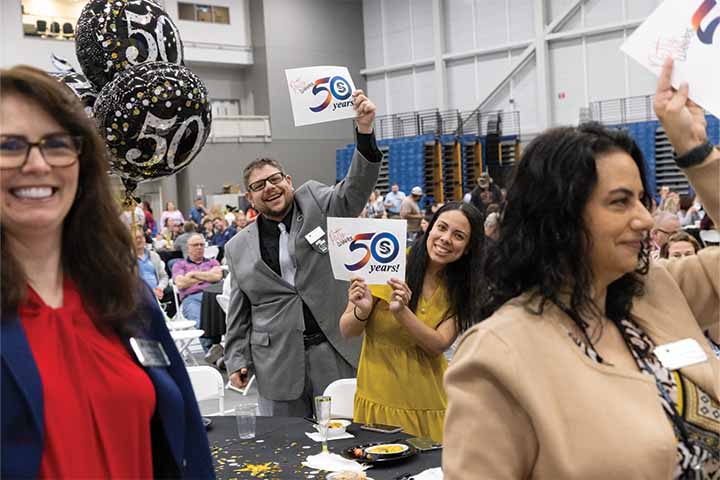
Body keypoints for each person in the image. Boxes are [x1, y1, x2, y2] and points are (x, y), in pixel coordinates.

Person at [443, 59, 719, 479]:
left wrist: (696, 152)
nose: (644, 219)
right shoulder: (498, 355)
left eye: (642, 200)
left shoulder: (655, 289)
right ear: (559, 217)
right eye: (620, 201)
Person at [0, 65, 212, 478]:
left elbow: (186, 439)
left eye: (57, 144)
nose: (38, 164)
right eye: (9, 145)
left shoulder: (127, 299)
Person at [224, 89, 380, 417]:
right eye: (258, 186)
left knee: (344, 438)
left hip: (333, 350)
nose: (269, 187)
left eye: (275, 179)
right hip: (276, 363)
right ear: (249, 199)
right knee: (286, 449)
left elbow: (355, 189)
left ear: (289, 180)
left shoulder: (317, 201)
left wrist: (363, 131)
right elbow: (238, 313)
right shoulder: (237, 247)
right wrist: (237, 358)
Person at [340, 202, 484, 442]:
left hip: (431, 404)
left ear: (468, 247)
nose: (446, 239)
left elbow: (437, 345)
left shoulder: (464, 288)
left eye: (458, 236)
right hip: (378, 400)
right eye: (442, 228)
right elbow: (347, 330)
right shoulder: (389, 263)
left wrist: (402, 313)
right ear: (429, 228)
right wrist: (362, 311)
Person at [171, 233, 223, 351]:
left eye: (201, 245)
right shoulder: (180, 265)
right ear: (188, 247)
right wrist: (207, 276)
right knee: (201, 322)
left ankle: (217, 352)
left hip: (213, 296)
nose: (199, 247)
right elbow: (180, 283)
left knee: (224, 320)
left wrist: (193, 275)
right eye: (195, 245)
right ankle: (212, 352)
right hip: (191, 298)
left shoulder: (212, 262)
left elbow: (217, 277)